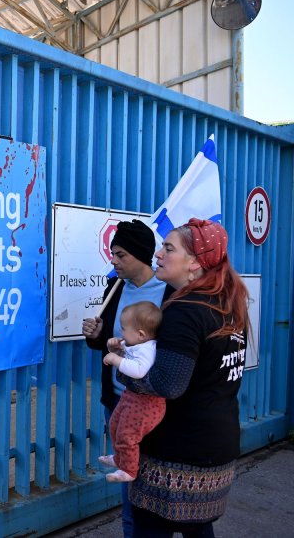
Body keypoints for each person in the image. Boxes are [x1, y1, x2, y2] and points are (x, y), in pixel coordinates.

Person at [119, 218, 249, 538]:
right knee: (198, 529)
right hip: (215, 447)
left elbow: (168, 384)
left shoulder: (185, 309)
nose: (158, 255)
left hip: (177, 453)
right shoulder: (226, 303)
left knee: (151, 530)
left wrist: (126, 368)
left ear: (194, 263)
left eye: (168, 248)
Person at [82, 219, 174, 538]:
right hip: (119, 402)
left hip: (153, 408)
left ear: (139, 254)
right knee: (128, 491)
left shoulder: (169, 292)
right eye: (112, 253)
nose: (114, 261)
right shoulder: (115, 288)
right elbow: (108, 341)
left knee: (152, 493)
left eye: (120, 254)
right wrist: (94, 336)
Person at [98, 301, 165, 483]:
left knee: (128, 435)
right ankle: (119, 458)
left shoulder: (148, 349)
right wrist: (117, 350)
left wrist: (115, 359)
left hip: (145, 404)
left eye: (124, 329)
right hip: (131, 397)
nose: (121, 332)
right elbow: (128, 355)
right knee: (114, 424)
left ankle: (128, 470)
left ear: (141, 334)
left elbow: (139, 371)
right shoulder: (138, 344)